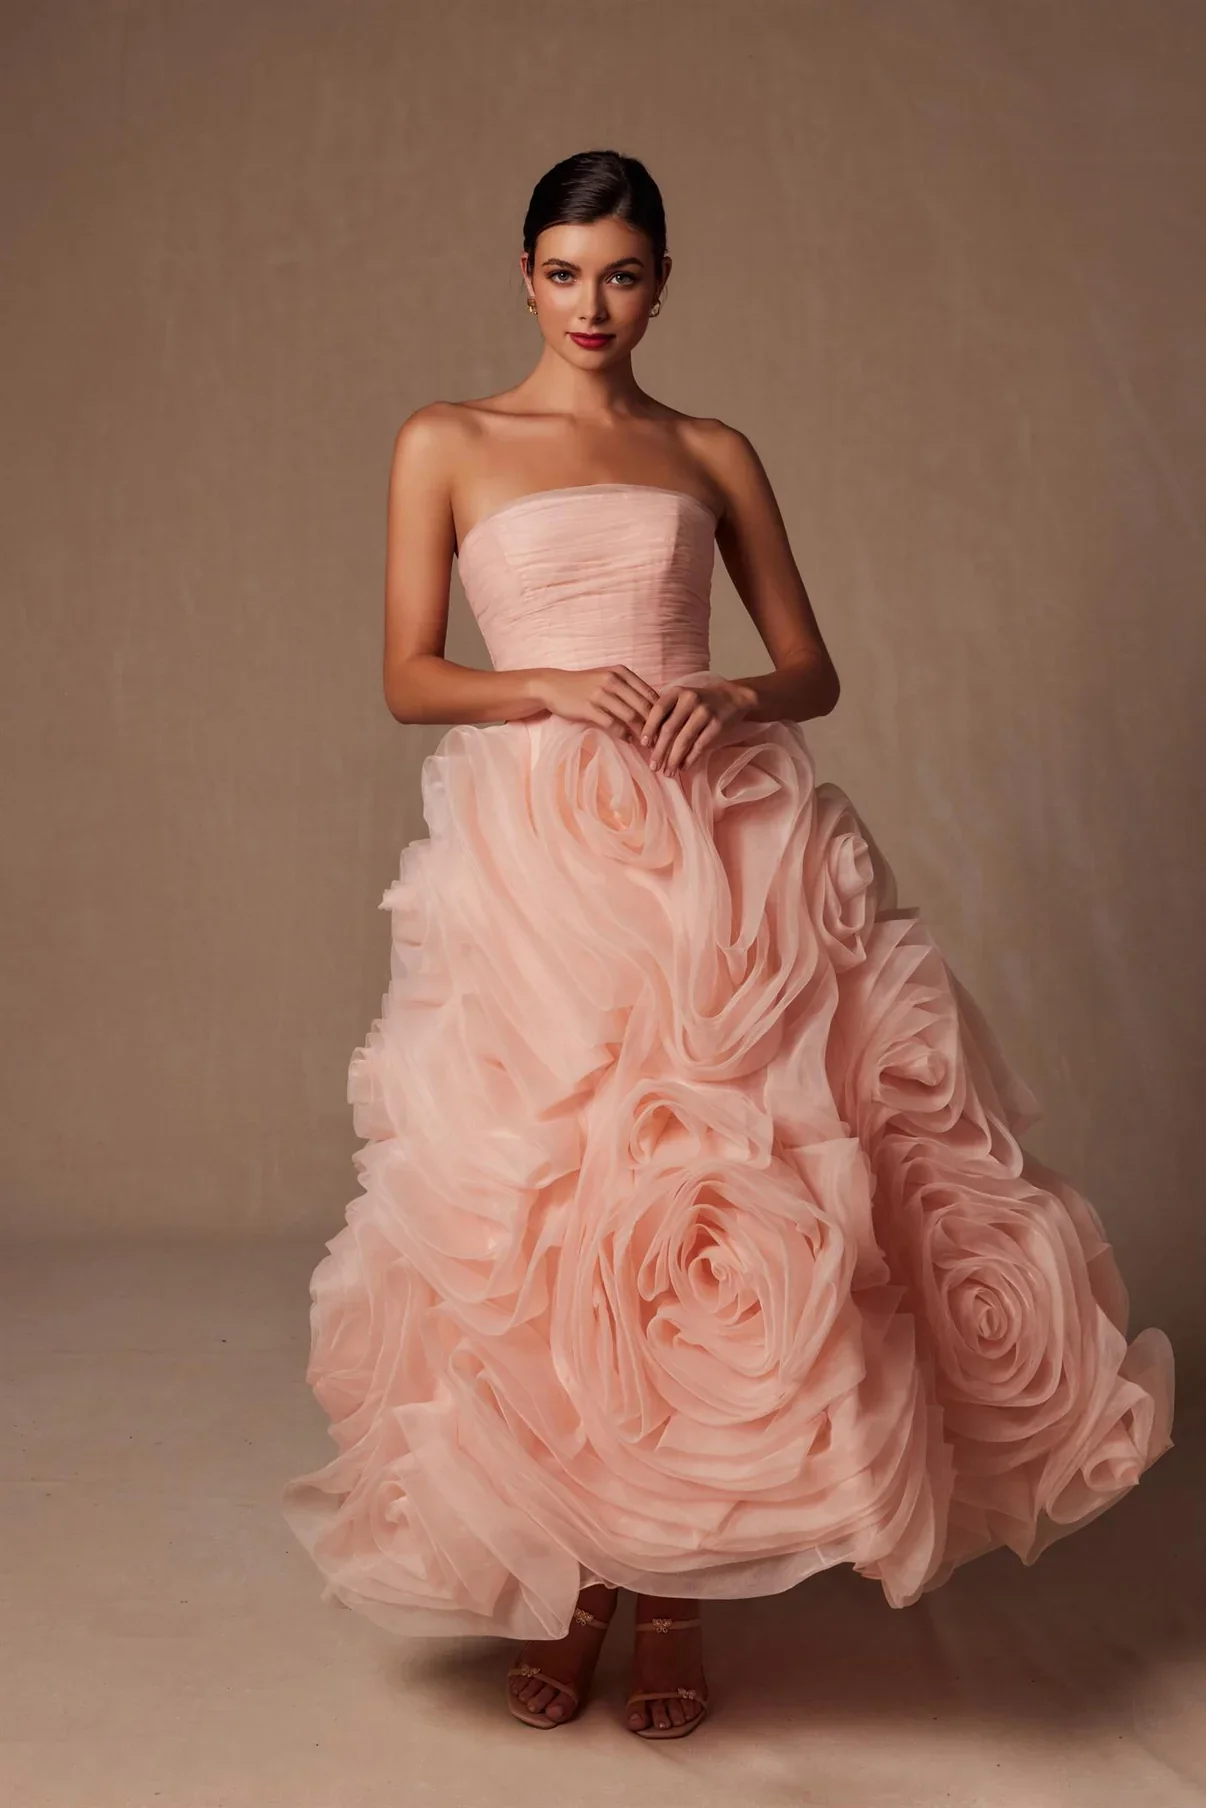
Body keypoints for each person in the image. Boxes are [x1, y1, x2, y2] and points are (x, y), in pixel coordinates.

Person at [281, 148, 1175, 1741]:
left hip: (720, 845)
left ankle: (677, 1586)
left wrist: (729, 695)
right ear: (523, 276)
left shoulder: (708, 450)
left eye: (621, 274)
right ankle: (577, 1574)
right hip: (542, 859)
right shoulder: (447, 440)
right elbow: (410, 674)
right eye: (565, 272)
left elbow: (810, 667)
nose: (591, 305)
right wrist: (547, 687)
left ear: (661, 285)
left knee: (718, 1202)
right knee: (560, 1211)